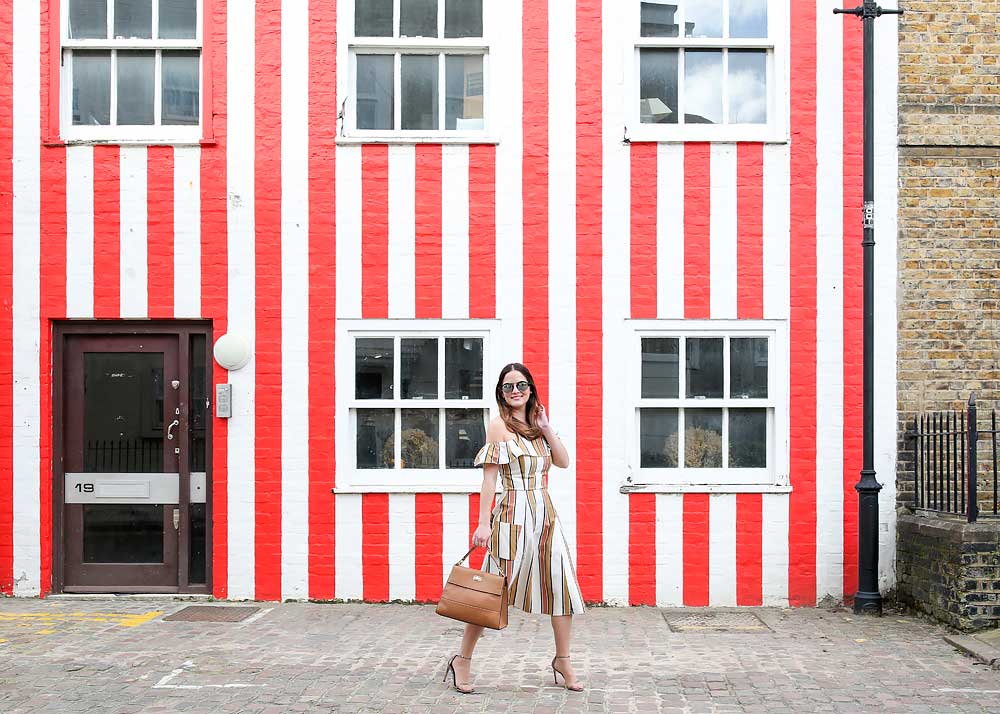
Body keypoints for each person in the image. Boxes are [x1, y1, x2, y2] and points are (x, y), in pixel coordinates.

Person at [443, 362, 586, 694]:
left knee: (560, 585)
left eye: (521, 385)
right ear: (501, 393)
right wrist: (482, 523)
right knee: (493, 590)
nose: (516, 391)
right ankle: (461, 659)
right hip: (512, 514)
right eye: (508, 387)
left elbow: (563, 461)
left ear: (531, 388)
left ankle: (562, 659)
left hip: (545, 514)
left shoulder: (538, 426)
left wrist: (547, 427)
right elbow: (489, 479)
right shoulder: (498, 427)